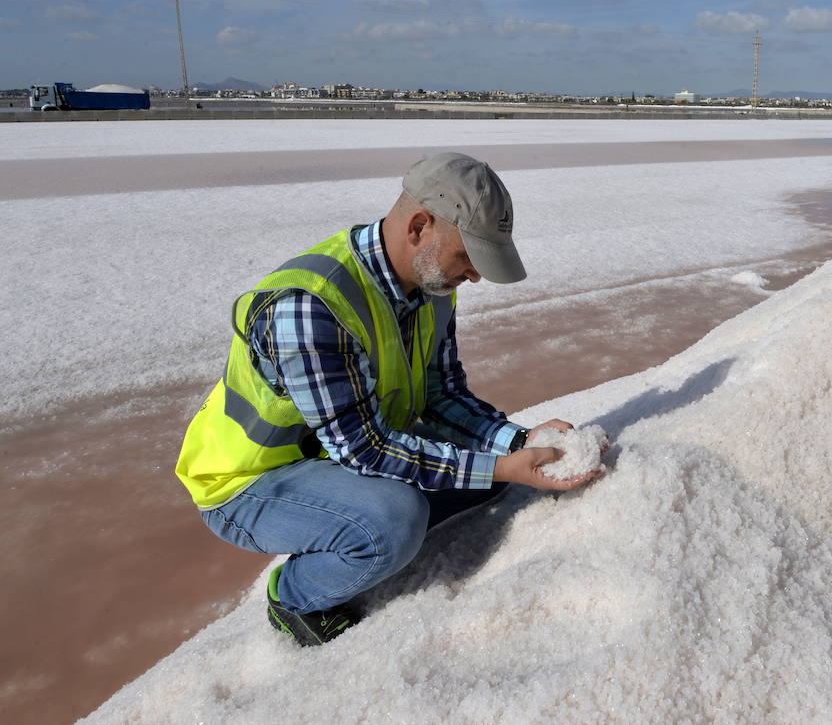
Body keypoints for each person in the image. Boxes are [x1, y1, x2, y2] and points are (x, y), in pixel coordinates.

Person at [175, 152, 598, 646]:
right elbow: (366, 450)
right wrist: (505, 466)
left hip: (339, 454)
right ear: (419, 226)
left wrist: (521, 440)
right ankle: (292, 597)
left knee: (485, 467)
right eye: (468, 258)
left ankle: (360, 524)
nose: (476, 276)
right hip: (250, 482)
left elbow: (443, 397)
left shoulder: (431, 283)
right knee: (393, 522)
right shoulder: (308, 308)